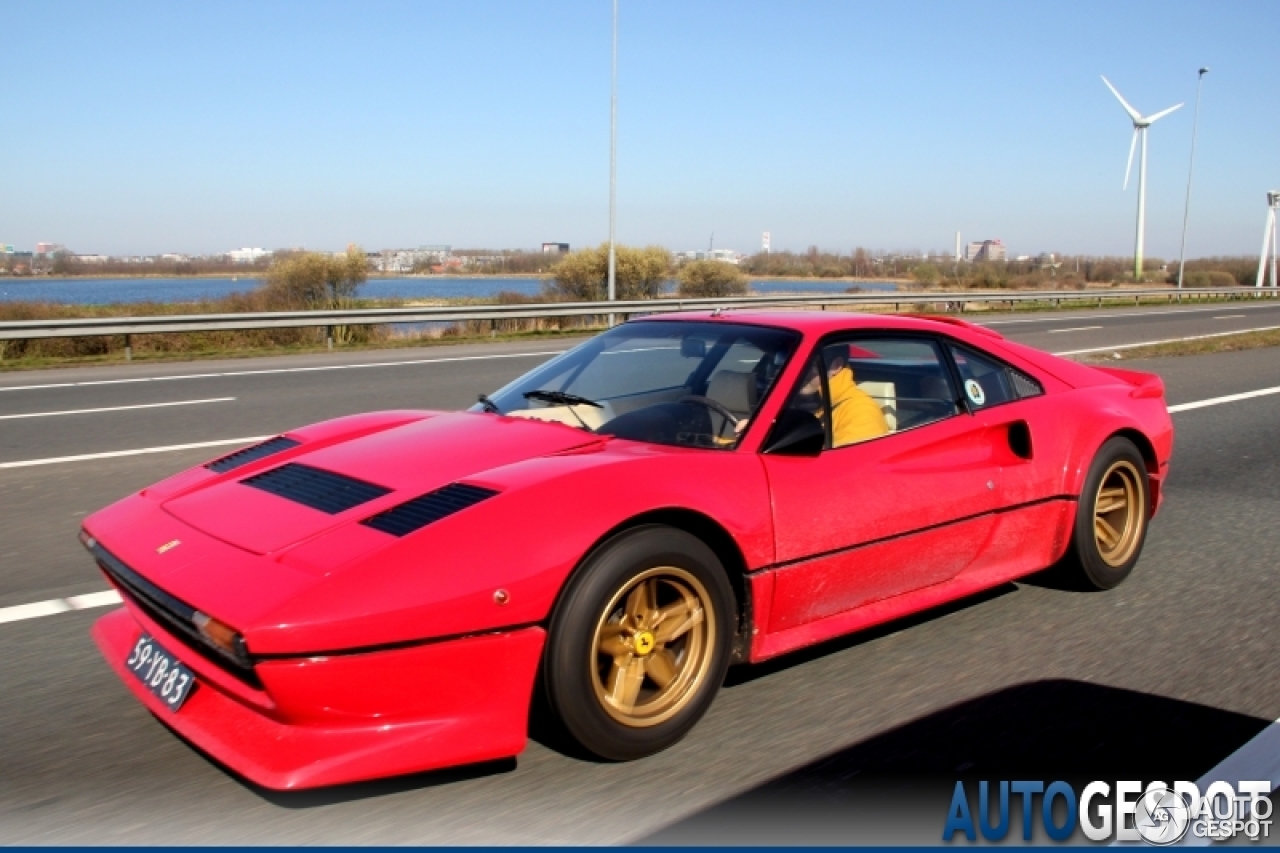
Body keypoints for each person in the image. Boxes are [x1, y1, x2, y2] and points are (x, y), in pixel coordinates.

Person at [797, 348, 889, 448]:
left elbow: (847, 461)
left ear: (836, 366)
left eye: (810, 364)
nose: (799, 372)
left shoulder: (861, 412)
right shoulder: (793, 400)